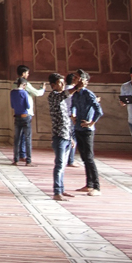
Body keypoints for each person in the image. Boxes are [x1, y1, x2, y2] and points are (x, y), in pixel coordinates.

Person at [69, 70, 104, 195]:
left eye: (76, 77)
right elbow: (72, 106)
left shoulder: (88, 94)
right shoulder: (76, 94)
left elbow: (99, 111)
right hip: (78, 128)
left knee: (89, 158)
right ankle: (88, 184)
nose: (74, 79)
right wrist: (72, 115)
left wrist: (91, 122)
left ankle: (96, 187)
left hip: (87, 130)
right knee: (84, 158)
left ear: (82, 80)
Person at [47, 73, 74, 201]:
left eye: (63, 82)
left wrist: (71, 137)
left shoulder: (61, 100)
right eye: (60, 83)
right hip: (59, 136)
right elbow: (66, 94)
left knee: (62, 166)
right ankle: (57, 192)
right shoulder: (53, 96)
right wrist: (77, 86)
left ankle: (62, 189)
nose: (63, 85)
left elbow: (66, 119)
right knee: (59, 164)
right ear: (53, 85)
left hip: (66, 135)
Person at [13, 65, 44, 160]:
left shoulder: (14, 84)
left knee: (18, 136)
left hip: (17, 113)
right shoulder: (25, 84)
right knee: (26, 137)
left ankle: (17, 157)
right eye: (27, 73)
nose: (28, 74)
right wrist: (42, 88)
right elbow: (37, 93)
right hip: (26, 113)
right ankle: (25, 157)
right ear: (23, 73)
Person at [9, 77, 34, 166]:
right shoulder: (24, 92)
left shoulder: (12, 92)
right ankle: (29, 161)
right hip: (25, 116)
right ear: (24, 85)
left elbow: (12, 105)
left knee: (16, 139)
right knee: (27, 138)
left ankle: (15, 160)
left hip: (17, 116)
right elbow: (27, 106)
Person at [64, 73, 78, 168]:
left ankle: (66, 158)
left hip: (64, 115)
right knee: (73, 138)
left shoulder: (64, 90)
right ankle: (71, 160)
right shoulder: (73, 91)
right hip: (71, 115)